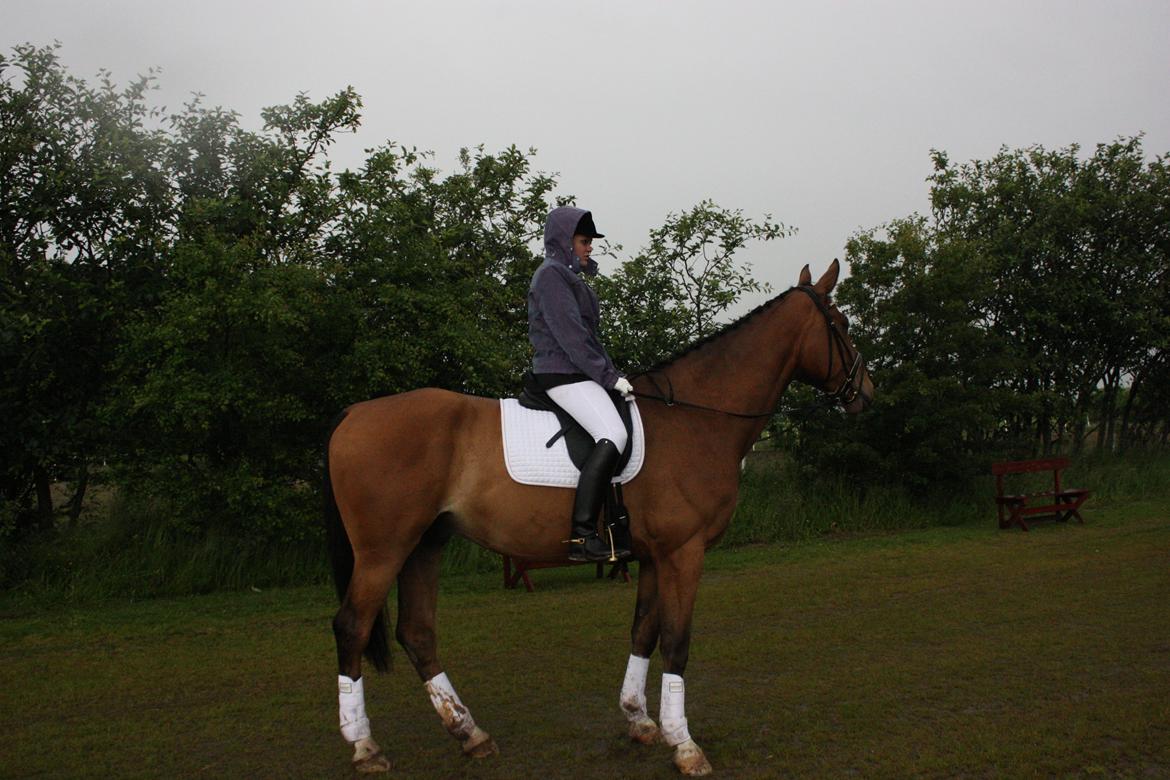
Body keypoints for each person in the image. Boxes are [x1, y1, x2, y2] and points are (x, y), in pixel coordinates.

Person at [528, 206, 633, 562]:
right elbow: (572, 337)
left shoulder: (567, 275)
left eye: (590, 242)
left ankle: (617, 526)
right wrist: (608, 377)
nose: (589, 247)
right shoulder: (552, 276)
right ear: (564, 240)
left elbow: (591, 339)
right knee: (614, 435)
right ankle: (583, 535)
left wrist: (612, 372)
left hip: (576, 371)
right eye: (584, 241)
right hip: (563, 372)